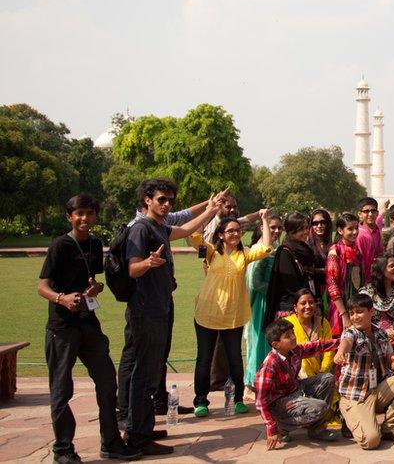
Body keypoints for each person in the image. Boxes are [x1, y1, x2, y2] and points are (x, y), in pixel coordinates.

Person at [38, 194, 141, 463]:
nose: (84, 219)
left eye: (89, 213)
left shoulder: (95, 244)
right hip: (62, 327)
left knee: (107, 382)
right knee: (61, 390)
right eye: (79, 214)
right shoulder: (60, 245)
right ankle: (63, 449)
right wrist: (62, 298)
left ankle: (111, 442)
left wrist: (93, 289)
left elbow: (91, 279)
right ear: (69, 217)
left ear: (96, 216)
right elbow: (42, 286)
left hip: (88, 323)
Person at [123, 179, 219, 455]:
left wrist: (210, 210)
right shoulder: (141, 229)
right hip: (145, 309)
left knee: (151, 371)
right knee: (143, 372)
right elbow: (132, 269)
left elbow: (187, 228)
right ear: (147, 201)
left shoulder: (159, 227)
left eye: (170, 201)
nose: (167, 205)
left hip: (159, 306)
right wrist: (147, 263)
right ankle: (137, 435)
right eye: (161, 200)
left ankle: (142, 426)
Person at [192, 212, 273, 417]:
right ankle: (201, 400)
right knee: (204, 358)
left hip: (233, 315)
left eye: (237, 231)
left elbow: (265, 248)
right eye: (230, 231)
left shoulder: (243, 254)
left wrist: (263, 219)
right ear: (220, 234)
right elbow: (194, 236)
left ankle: (237, 398)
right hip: (207, 313)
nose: (235, 234)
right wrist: (209, 211)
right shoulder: (210, 252)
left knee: (235, 358)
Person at [334, 293, 394, 448]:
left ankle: (390, 427)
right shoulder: (351, 333)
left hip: (376, 390)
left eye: (359, 311)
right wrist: (340, 352)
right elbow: (346, 342)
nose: (355, 317)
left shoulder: (381, 334)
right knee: (371, 441)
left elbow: (391, 365)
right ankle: (350, 417)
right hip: (356, 396)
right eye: (351, 313)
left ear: (371, 312)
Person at [255, 318, 338, 449]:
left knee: (327, 379)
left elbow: (318, 346)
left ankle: (316, 429)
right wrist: (271, 428)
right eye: (288, 336)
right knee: (320, 407)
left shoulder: (295, 351)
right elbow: (260, 402)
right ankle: (281, 427)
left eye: (292, 333)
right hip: (279, 403)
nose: (293, 337)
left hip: (294, 390)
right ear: (276, 344)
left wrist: (343, 342)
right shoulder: (269, 365)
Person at [263, 212, 322, 331]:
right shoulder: (286, 251)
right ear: (291, 231)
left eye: (306, 228)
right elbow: (291, 285)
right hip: (291, 306)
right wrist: (308, 303)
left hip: (307, 304)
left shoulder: (305, 249)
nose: (306, 232)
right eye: (301, 229)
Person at [245, 213, 283, 389]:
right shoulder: (259, 248)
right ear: (262, 227)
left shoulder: (275, 246)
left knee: (270, 342)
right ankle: (252, 382)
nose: (276, 231)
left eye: (278, 228)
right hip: (261, 302)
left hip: (271, 300)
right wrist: (273, 290)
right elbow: (254, 281)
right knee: (259, 341)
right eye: (272, 227)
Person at [359, 253, 394, 349]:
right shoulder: (367, 293)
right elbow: (363, 317)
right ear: (381, 270)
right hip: (374, 335)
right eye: (392, 266)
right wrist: (383, 330)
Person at [283, 289, 335, 379]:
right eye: (303, 303)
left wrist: (323, 372)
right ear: (295, 307)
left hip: (319, 374)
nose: (308, 306)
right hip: (294, 376)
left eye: (311, 302)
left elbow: (329, 350)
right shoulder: (287, 323)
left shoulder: (323, 323)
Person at [325, 212, 361, 332]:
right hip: (341, 309)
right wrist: (344, 315)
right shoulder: (335, 252)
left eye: (356, 228)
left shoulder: (356, 250)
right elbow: (332, 286)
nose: (355, 232)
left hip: (356, 305)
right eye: (350, 229)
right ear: (340, 231)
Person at [307, 208, 333, 293]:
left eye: (323, 222)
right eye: (315, 223)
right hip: (312, 289)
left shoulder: (334, 245)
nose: (319, 226)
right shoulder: (306, 245)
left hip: (331, 288)